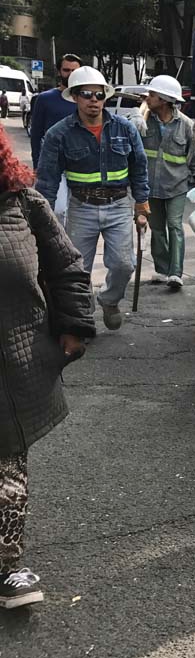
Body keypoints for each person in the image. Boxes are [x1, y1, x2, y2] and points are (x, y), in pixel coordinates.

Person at [0, 126, 95, 609]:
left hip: (12, 371)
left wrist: (73, 328)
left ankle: (6, 568)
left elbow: (67, 268)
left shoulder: (23, 204)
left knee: (6, 474)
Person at [35, 66, 150, 331]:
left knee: (123, 264)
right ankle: (83, 316)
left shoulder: (124, 129)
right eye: (86, 94)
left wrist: (141, 203)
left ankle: (109, 300)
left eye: (99, 95)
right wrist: (42, 217)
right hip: (81, 207)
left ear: (105, 98)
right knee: (76, 270)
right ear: (74, 97)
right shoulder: (59, 134)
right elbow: (48, 180)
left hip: (119, 205)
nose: (93, 100)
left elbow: (139, 167)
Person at [139, 74, 195, 291]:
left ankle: (175, 273)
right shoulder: (143, 121)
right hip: (151, 187)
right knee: (156, 228)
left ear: (165, 99)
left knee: (174, 226)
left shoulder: (186, 125)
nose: (147, 98)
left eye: (152, 94)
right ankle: (162, 269)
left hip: (176, 185)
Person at [29, 54, 81, 168]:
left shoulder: (89, 99)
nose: (71, 74)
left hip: (82, 167)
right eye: (66, 70)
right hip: (53, 164)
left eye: (74, 70)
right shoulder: (44, 99)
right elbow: (36, 135)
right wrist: (37, 166)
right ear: (59, 72)